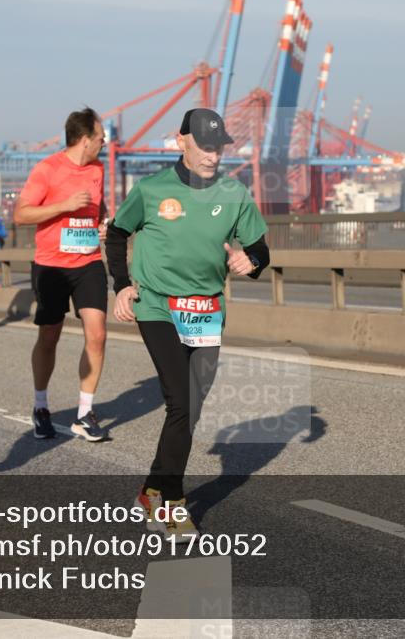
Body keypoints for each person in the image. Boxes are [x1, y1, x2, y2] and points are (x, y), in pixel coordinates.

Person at [105, 108, 270, 541]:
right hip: (158, 306)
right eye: (205, 146)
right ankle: (173, 502)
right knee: (180, 400)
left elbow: (260, 250)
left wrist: (248, 261)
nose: (213, 156)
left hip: (207, 311)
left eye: (218, 147)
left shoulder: (235, 194)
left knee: (191, 408)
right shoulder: (151, 189)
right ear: (182, 142)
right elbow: (117, 232)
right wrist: (121, 285)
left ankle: (151, 488)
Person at [14, 107, 110, 443]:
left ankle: (85, 414)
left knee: (97, 334)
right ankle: (41, 405)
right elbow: (21, 214)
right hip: (52, 265)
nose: (104, 144)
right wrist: (63, 206)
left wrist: (102, 223)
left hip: (88, 262)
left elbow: (100, 207)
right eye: (101, 138)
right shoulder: (48, 169)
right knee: (49, 336)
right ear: (85, 140)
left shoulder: (98, 169)